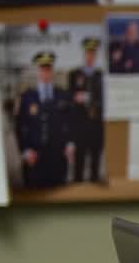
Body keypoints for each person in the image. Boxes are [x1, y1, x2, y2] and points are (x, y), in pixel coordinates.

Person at [14, 51, 73, 188]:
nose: (46, 73)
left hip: (58, 157)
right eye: (42, 69)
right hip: (35, 157)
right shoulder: (27, 97)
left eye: (48, 69)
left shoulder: (62, 95)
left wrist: (70, 144)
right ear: (38, 71)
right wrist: (25, 151)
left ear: (52, 71)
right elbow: (19, 126)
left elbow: (70, 122)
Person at [67, 36, 104, 182]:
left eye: (93, 53)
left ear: (96, 55)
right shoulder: (74, 74)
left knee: (95, 167)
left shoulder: (100, 75)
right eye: (88, 53)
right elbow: (69, 98)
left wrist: (91, 100)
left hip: (96, 128)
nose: (90, 56)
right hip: (80, 128)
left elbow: (104, 99)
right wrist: (74, 98)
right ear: (84, 54)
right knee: (78, 167)